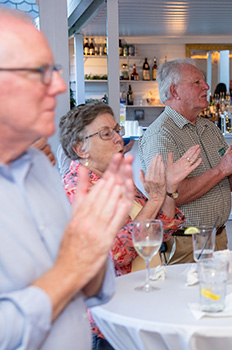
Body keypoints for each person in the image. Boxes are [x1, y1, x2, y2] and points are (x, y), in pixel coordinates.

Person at [0, 7, 134, 349]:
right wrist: (72, 267)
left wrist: (98, 242)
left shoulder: (40, 167)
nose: (59, 86)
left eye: (55, 70)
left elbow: (91, 292)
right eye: (38, 71)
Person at [58, 101, 201, 348]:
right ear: (80, 148)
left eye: (117, 130)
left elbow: (160, 229)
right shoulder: (76, 190)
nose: (118, 139)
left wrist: (168, 190)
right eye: (106, 134)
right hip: (108, 321)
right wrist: (155, 198)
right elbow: (113, 254)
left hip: (142, 301)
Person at [139, 58, 232, 264]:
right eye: (196, 82)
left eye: (204, 81)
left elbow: (223, 184)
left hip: (219, 238)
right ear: (174, 91)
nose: (206, 86)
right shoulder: (160, 135)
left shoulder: (209, 128)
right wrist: (221, 170)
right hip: (185, 244)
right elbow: (167, 197)